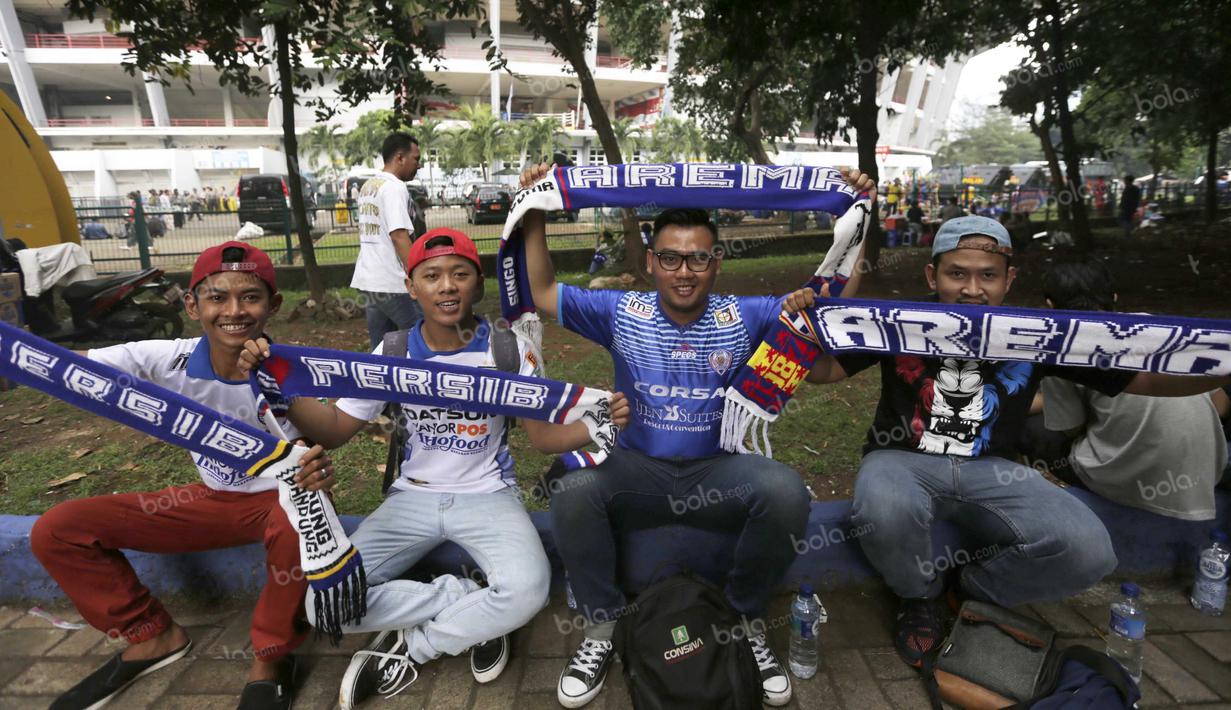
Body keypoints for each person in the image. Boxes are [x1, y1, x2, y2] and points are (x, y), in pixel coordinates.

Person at [782, 215, 1231, 669]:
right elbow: (825, 371)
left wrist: (1223, 369)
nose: (972, 289)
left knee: (1089, 549)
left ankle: (971, 590)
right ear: (931, 275)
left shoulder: (1037, 332)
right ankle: (920, 596)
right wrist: (800, 324)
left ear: (1009, 279)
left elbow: (1143, 381)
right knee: (882, 508)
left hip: (994, 472)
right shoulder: (901, 322)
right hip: (901, 460)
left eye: (988, 275)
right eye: (957, 273)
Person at [516, 162, 875, 708]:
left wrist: (860, 221)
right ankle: (601, 629)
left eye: (699, 258)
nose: (684, 271)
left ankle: (745, 620)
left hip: (717, 469)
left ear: (716, 262)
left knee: (783, 490)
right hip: (637, 469)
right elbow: (540, 290)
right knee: (572, 491)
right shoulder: (619, 309)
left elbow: (833, 317)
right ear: (652, 261)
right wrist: (535, 205)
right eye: (671, 258)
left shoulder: (747, 314)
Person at [239, 228, 630, 709]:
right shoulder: (395, 351)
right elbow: (338, 428)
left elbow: (544, 437)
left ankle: (413, 647)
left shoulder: (507, 351)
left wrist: (597, 422)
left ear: (477, 284)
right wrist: (284, 388)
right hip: (412, 497)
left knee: (527, 590)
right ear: (411, 287)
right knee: (324, 604)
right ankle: (464, 599)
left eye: (460, 274)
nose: (447, 286)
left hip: (488, 494)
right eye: (432, 276)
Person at [30, 243, 328, 710]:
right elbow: (68, 366)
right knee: (59, 528)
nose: (234, 311)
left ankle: (272, 656)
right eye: (216, 297)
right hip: (210, 500)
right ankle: (151, 636)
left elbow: (329, 436)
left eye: (250, 297)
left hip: (283, 503)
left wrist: (315, 460)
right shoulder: (165, 358)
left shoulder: (294, 366)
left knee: (300, 520)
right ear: (192, 306)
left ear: (273, 306)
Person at [1016, 259, 1227, 520]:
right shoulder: (1157, 328)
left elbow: (1070, 427)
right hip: (1208, 472)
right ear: (1114, 297)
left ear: (1049, 305)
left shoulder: (1060, 347)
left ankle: (1081, 500)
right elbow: (1220, 403)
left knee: (1038, 431)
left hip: (1136, 488)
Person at [351, 132, 428, 348]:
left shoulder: (369, 186)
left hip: (369, 280)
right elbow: (399, 235)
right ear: (400, 158)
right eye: (416, 159)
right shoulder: (395, 187)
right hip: (392, 281)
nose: (419, 165)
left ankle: (382, 381)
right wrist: (419, 276)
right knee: (423, 336)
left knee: (383, 346)